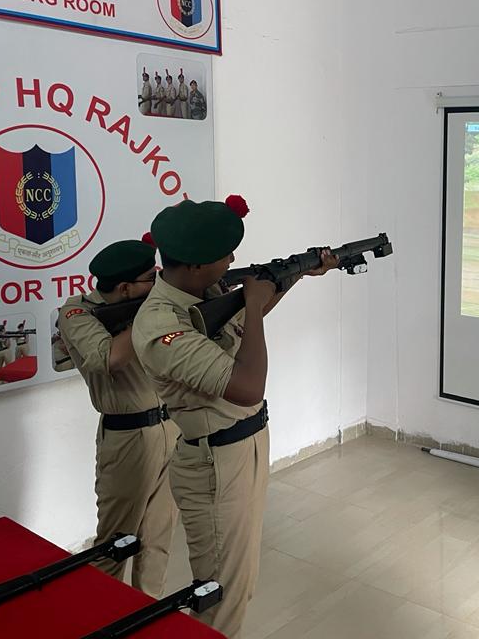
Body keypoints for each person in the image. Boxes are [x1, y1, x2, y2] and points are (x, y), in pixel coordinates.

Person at [132, 196, 337, 637]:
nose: (233, 259)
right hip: (215, 463)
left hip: (242, 448)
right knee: (222, 593)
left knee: (238, 584)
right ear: (195, 265)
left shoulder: (205, 293)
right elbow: (247, 388)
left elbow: (246, 322)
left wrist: (298, 273)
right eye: (225, 253)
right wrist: (256, 304)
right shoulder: (159, 323)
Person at [57, 239, 178, 597]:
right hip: (128, 438)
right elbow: (106, 358)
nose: (157, 282)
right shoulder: (76, 311)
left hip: (171, 427)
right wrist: (155, 310)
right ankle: (102, 616)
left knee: (158, 538)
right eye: (149, 278)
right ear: (125, 288)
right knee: (115, 543)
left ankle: (146, 617)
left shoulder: (148, 304)